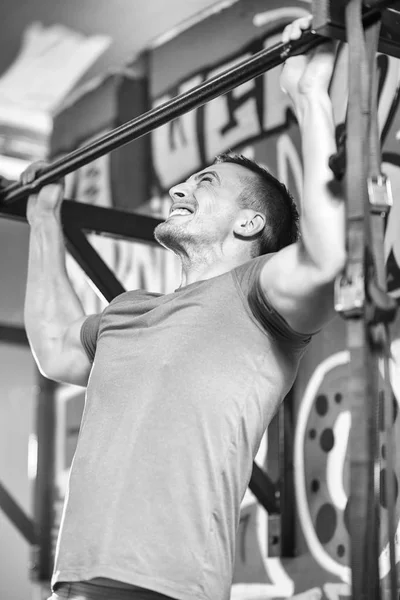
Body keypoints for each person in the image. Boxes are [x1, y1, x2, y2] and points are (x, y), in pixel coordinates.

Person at [22, 17, 344, 600]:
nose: (179, 190)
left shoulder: (259, 294)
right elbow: (52, 347)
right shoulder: (126, 310)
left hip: (168, 588)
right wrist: (44, 220)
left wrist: (308, 96)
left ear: (250, 223)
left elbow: (325, 258)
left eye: (206, 182)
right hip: (72, 585)